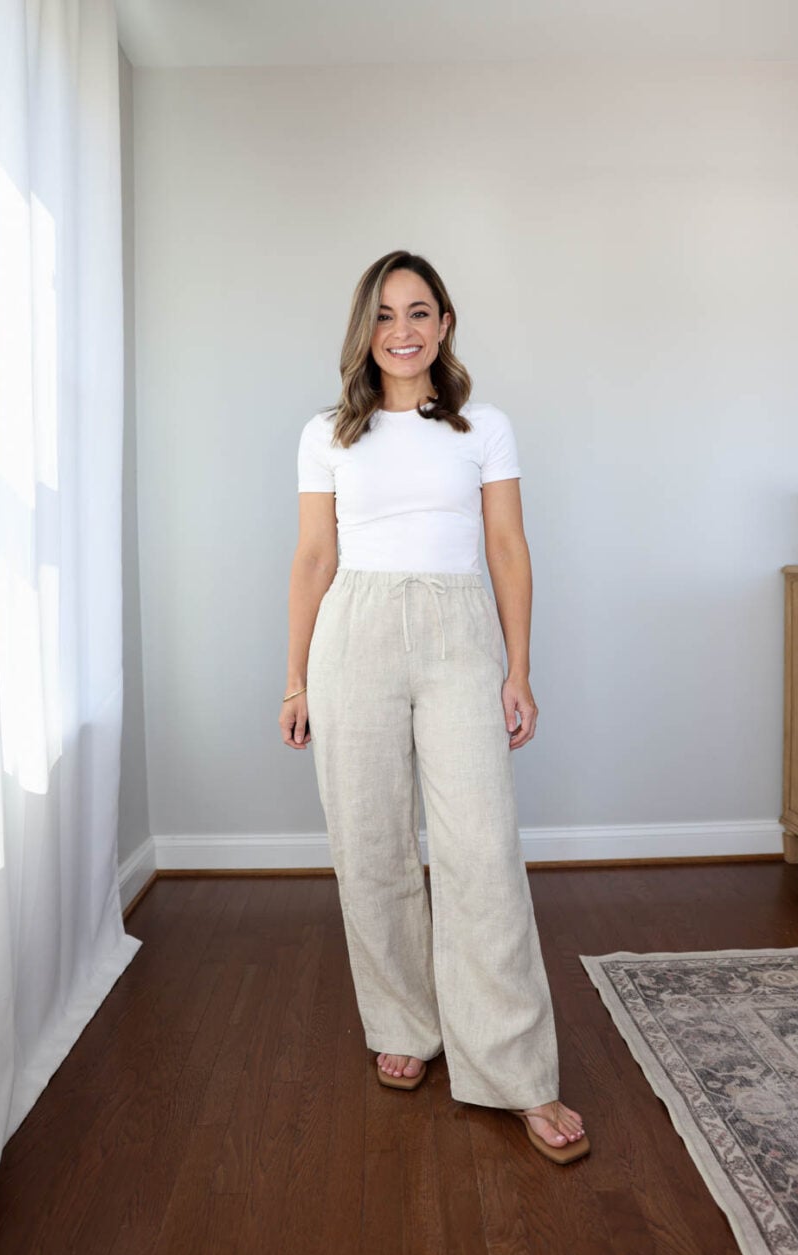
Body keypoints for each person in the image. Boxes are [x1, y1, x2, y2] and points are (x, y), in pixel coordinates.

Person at [279, 249, 589, 1163]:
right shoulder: (326, 434)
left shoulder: (482, 427)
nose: (402, 331)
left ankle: (518, 1074)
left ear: (444, 324)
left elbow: (506, 546)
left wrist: (518, 668)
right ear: (363, 331)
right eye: (384, 315)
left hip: (460, 634)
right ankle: (406, 1025)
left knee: (480, 853)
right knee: (369, 845)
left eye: (419, 312)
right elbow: (310, 561)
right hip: (355, 634)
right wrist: (295, 679)